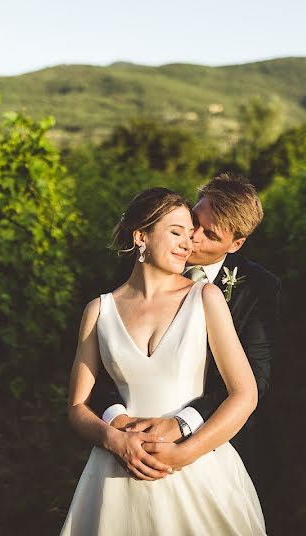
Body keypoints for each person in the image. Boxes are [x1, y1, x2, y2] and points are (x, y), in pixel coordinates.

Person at [61, 187, 266, 534]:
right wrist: (113, 440)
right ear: (141, 236)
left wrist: (184, 454)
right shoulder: (98, 311)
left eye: (191, 234)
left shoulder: (206, 297)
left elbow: (245, 394)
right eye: (176, 232)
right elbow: (77, 406)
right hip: (117, 473)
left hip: (196, 470)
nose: (188, 243)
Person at [89, 173, 280, 493]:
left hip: (208, 445)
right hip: (129, 445)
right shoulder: (141, 263)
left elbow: (254, 380)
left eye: (210, 235)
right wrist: (119, 421)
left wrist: (182, 426)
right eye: (194, 222)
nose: (193, 239)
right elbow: (109, 351)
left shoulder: (258, 287)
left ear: (235, 244)